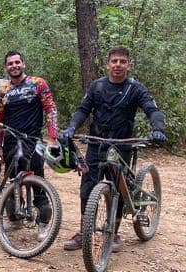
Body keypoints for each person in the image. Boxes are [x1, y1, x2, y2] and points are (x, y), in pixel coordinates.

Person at [60, 45, 167, 252]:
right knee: (87, 188)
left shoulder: (136, 89)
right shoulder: (97, 86)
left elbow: (152, 110)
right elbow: (83, 109)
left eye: (122, 61)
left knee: (119, 187)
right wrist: (72, 127)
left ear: (128, 65)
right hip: (96, 143)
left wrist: (158, 129)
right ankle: (84, 232)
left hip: (122, 145)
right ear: (108, 64)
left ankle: (114, 232)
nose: (118, 65)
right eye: (114, 61)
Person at [0, 51, 59, 241]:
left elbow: (50, 109)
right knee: (13, 180)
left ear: (24, 64)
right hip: (11, 141)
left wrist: (52, 137)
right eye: (10, 63)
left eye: (17, 62)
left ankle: (42, 224)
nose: (14, 66)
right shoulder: (4, 91)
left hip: (32, 140)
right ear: (6, 67)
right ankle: (14, 218)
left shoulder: (37, 84)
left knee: (38, 181)